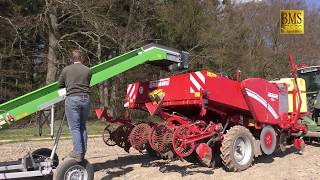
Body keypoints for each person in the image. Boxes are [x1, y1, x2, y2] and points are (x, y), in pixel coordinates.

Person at [58, 49, 92, 162]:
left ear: (72, 59)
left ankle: (77, 152)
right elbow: (88, 83)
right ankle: (83, 151)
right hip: (86, 98)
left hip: (72, 98)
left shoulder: (66, 70)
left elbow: (60, 85)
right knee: (82, 126)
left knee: (75, 128)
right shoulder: (88, 70)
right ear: (82, 58)